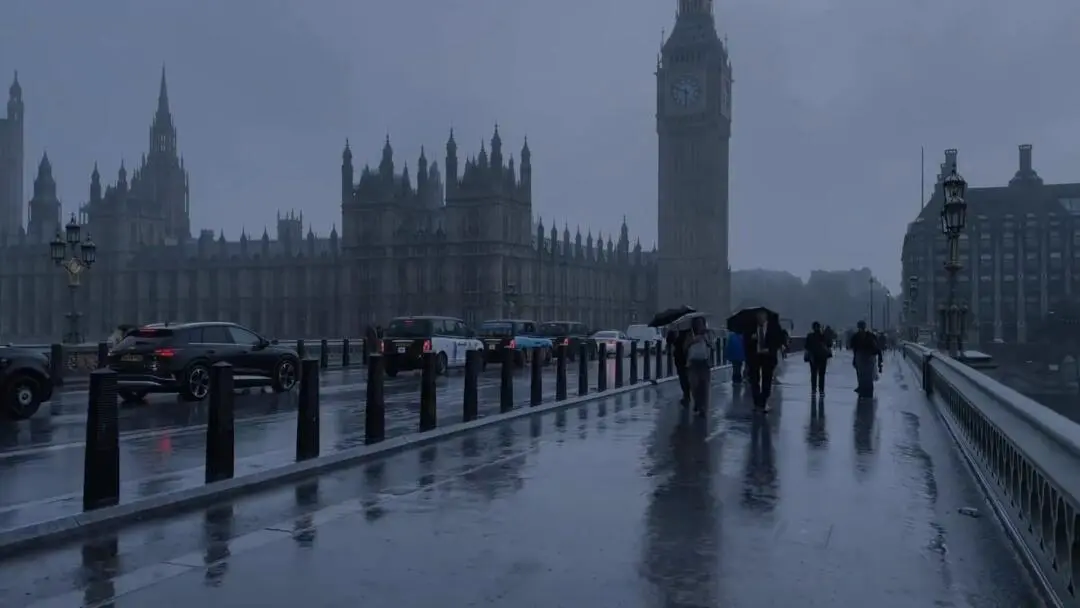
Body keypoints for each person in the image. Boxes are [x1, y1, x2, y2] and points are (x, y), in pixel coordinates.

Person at [743, 310, 783, 412]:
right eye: (758, 315)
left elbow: (779, 341)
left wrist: (769, 349)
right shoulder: (750, 327)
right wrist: (752, 340)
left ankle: (764, 401)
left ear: (766, 316)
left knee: (767, 379)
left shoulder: (774, 327)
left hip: (768, 357)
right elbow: (745, 342)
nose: (760, 317)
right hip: (754, 357)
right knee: (754, 380)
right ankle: (757, 403)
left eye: (762, 315)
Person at [685, 316, 714, 415]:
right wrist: (693, 340)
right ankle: (697, 402)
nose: (700, 325)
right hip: (693, 362)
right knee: (694, 384)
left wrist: (705, 339)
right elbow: (685, 347)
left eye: (701, 323)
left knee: (704, 385)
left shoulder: (708, 333)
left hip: (704, 362)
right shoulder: (689, 334)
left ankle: (703, 407)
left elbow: (712, 345)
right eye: (698, 323)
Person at [849, 320, 880, 398]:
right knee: (868, 374)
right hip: (869, 358)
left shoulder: (856, 336)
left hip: (860, 357)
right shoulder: (871, 335)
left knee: (861, 374)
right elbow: (877, 347)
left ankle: (862, 388)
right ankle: (869, 390)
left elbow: (852, 346)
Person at [804, 321, 832, 395]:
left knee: (813, 374)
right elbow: (829, 344)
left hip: (813, 357)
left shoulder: (810, 336)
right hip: (823, 357)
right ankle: (821, 390)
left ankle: (813, 390)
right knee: (822, 374)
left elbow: (806, 346)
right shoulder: (823, 336)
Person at [667, 327, 691, 405]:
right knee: (683, 377)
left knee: (688, 377)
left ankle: (688, 395)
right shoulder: (676, 329)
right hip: (680, 357)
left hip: (689, 356)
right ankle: (686, 395)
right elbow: (669, 340)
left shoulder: (690, 329)